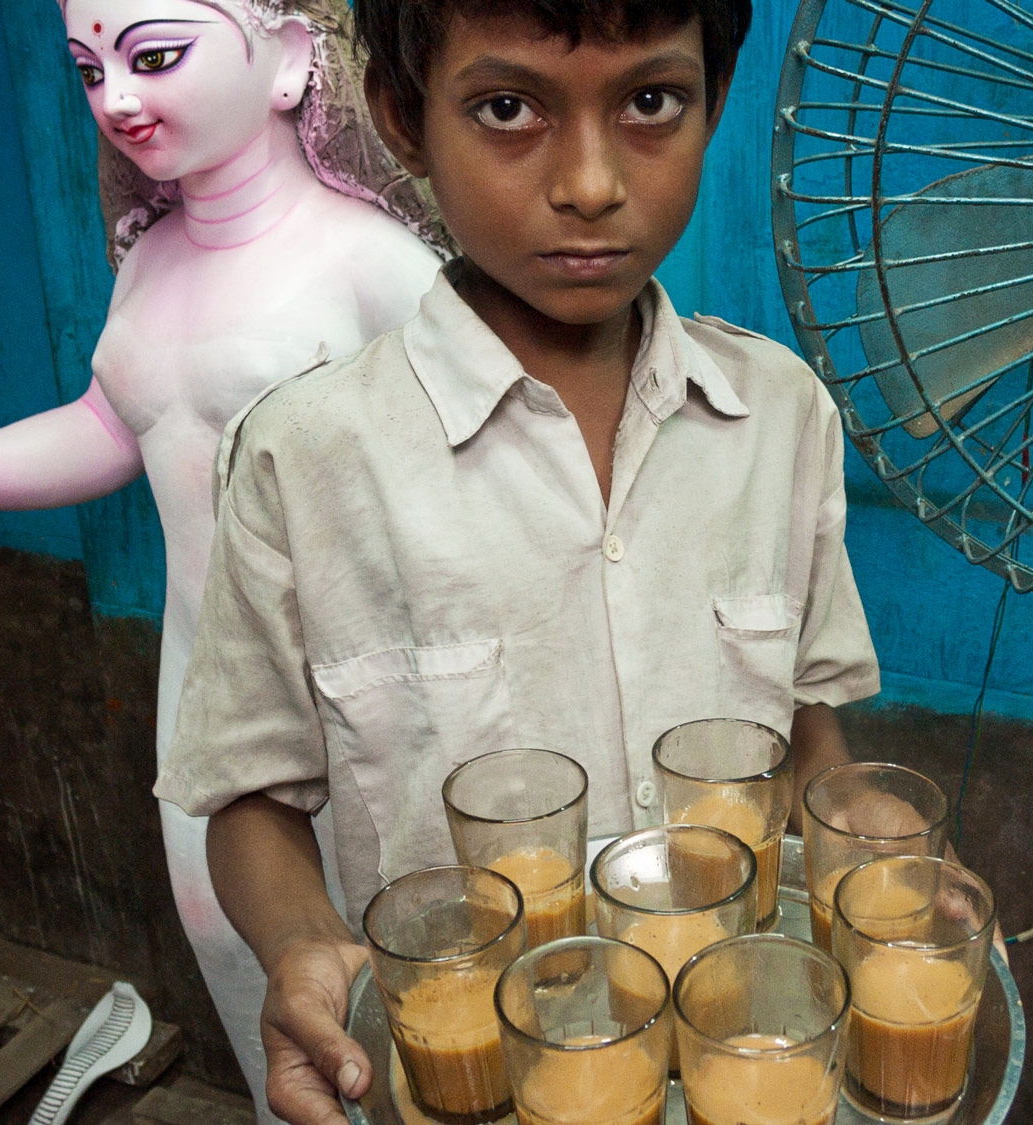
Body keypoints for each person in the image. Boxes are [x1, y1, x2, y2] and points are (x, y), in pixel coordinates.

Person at [156, 1, 880, 1121]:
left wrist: (858, 834)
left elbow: (811, 727)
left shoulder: (781, 417)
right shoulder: (304, 462)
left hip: (740, 1071)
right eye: (507, 109)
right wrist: (304, 941)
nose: (590, 182)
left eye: (650, 102)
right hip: (475, 1086)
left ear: (714, 102)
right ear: (404, 117)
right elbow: (251, 794)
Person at [0, 2, 441, 1119]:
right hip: (203, 704)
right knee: (250, 980)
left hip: (374, 709)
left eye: (154, 55)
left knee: (405, 1000)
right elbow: (114, 429)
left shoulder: (372, 262)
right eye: (87, 70)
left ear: (292, 56)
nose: (116, 98)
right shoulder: (149, 261)